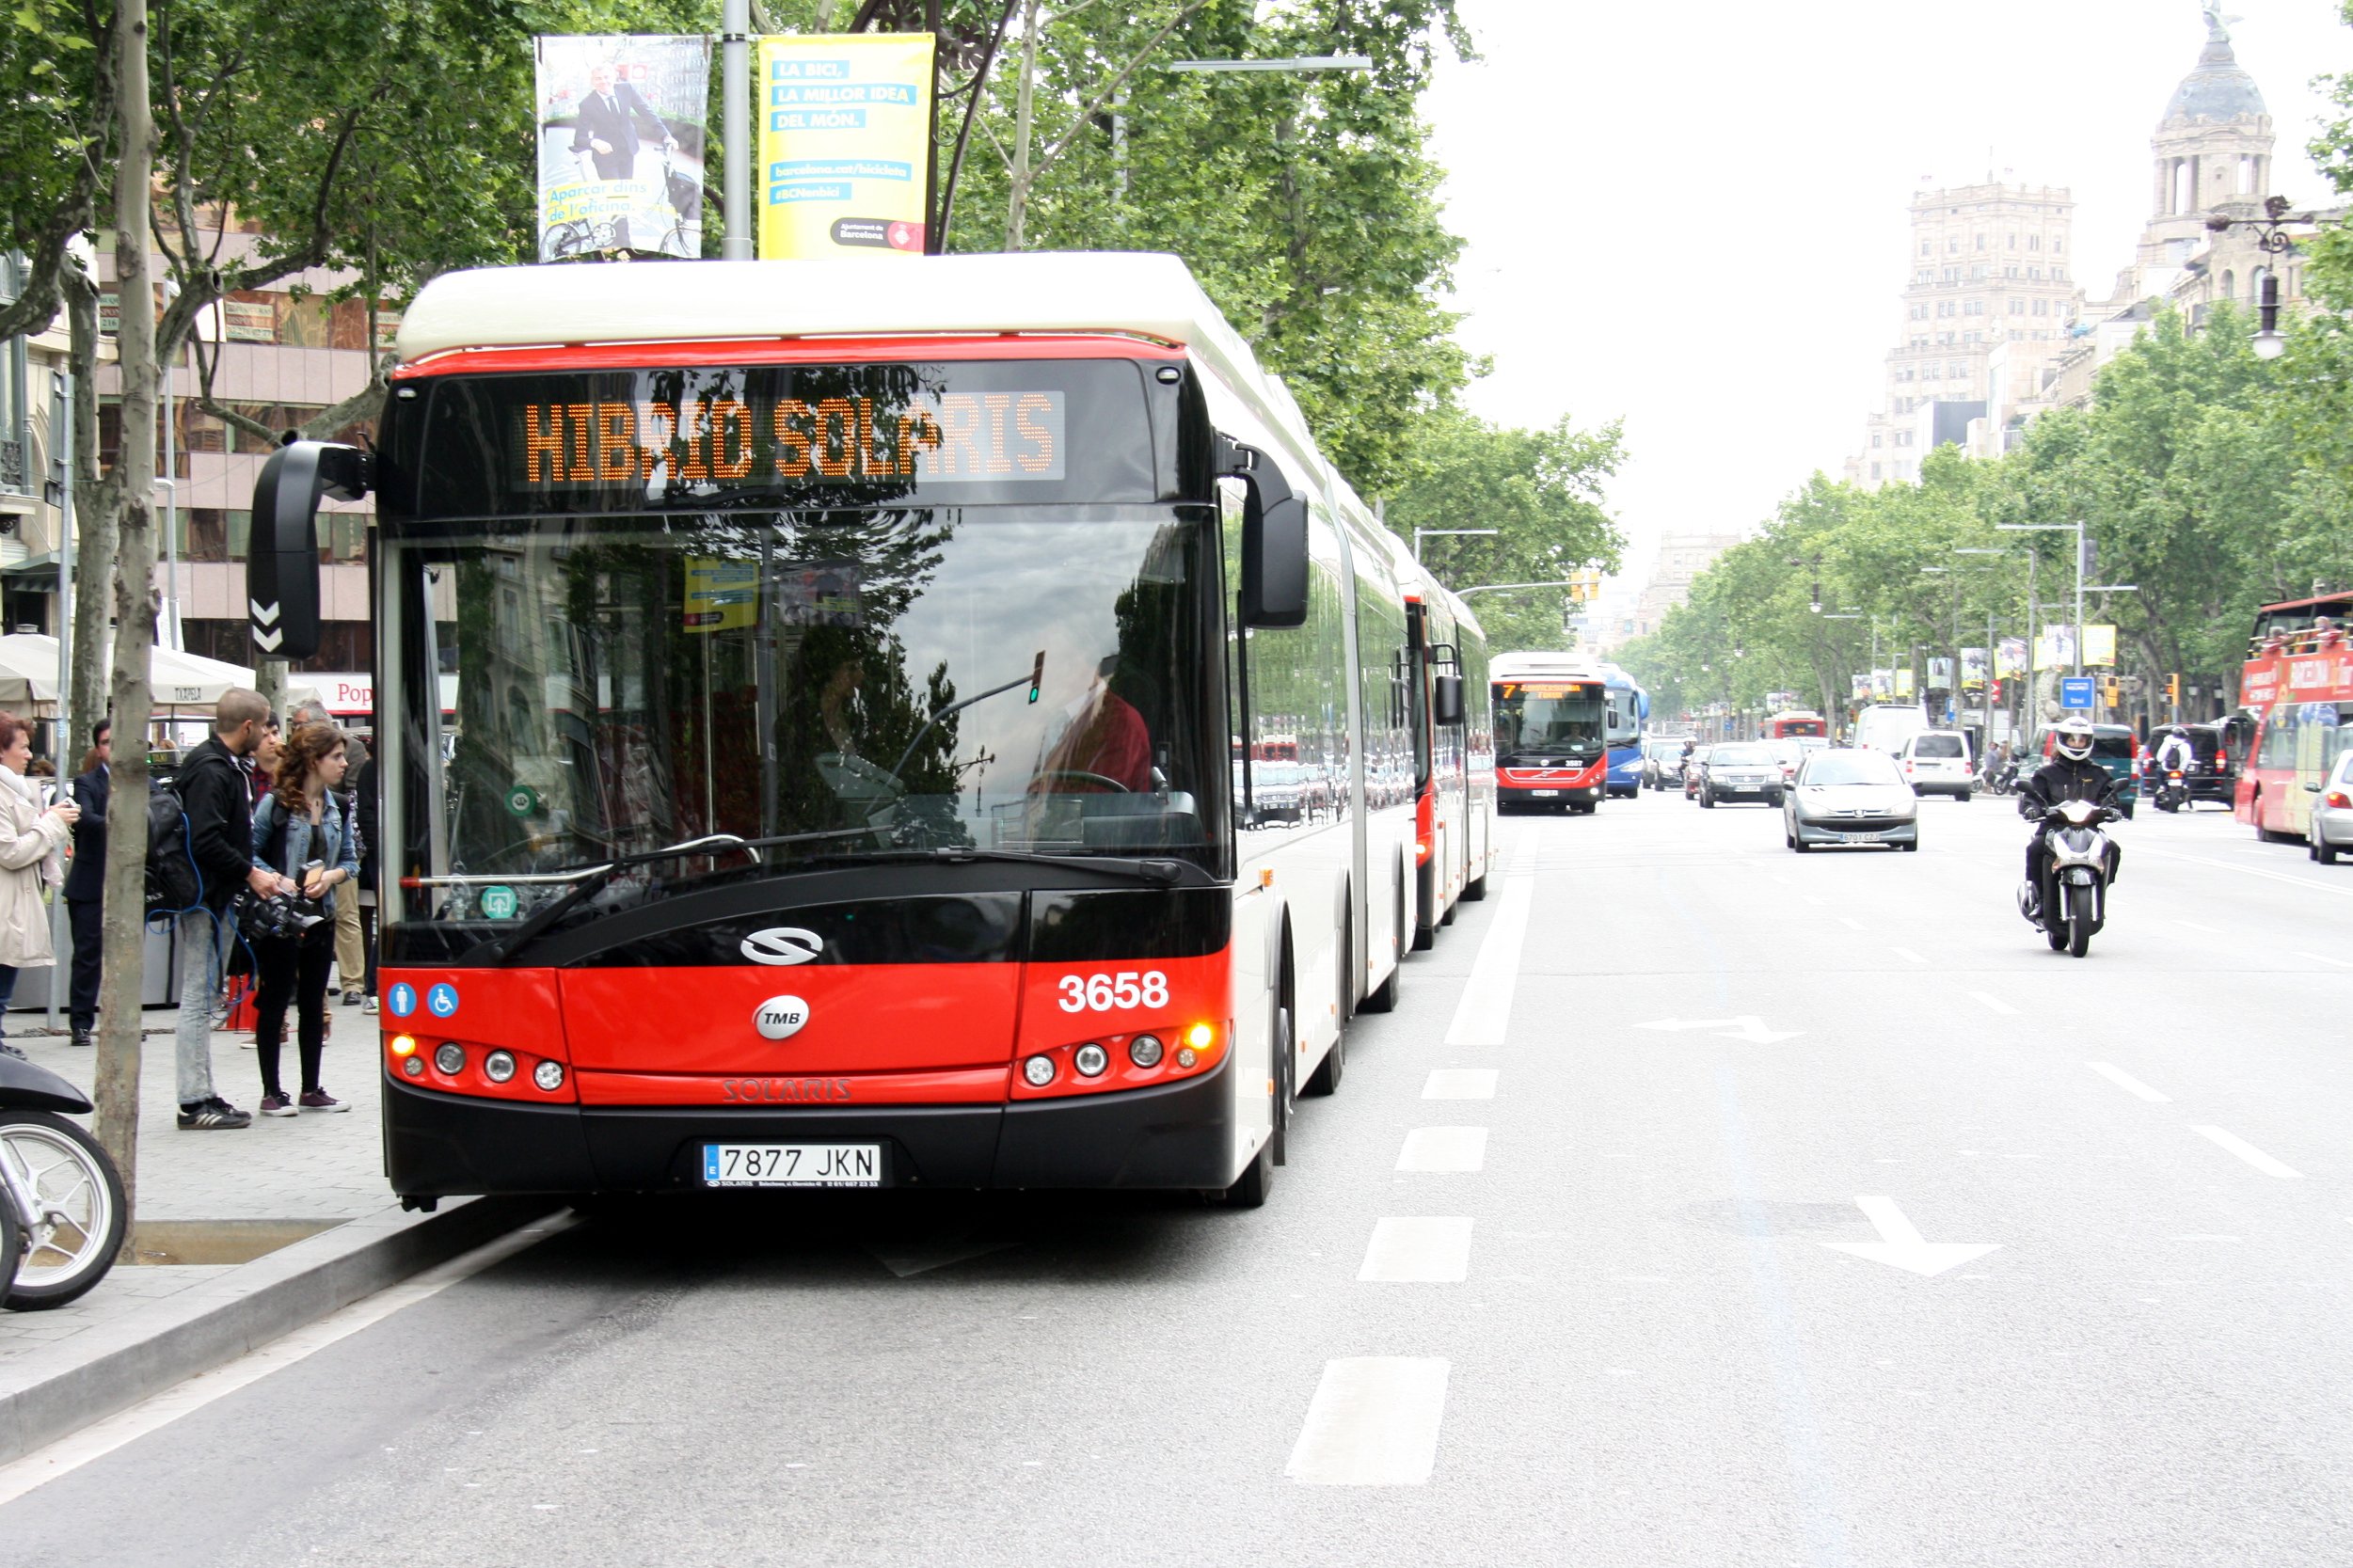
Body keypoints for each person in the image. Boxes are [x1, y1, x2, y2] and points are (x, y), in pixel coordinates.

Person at [173, 689, 294, 1130]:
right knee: (197, 996)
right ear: (248, 727)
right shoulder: (212, 770)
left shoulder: (220, 765)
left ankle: (203, 1093)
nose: (267, 734)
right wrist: (251, 873)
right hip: (207, 898)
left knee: (205, 995)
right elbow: (205, 840)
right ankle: (193, 1099)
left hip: (214, 896)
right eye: (264, 726)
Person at [248, 721, 359, 1115]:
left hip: (320, 917)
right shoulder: (276, 804)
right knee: (276, 1000)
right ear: (314, 760)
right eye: (336, 756)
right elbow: (252, 853)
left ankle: (311, 1088)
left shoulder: (339, 806)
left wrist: (330, 877)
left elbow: (350, 859)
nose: (344, 764)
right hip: (282, 919)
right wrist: (279, 881)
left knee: (314, 1001)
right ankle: (271, 1091)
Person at [0, 712, 77, 1059]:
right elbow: (11, 852)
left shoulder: (12, 789)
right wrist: (50, 825)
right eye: (24, 747)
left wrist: (49, 821)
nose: (30, 754)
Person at [2018, 716, 2125, 911]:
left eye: (2081, 740)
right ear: (2063, 740)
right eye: (2072, 739)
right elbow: (2032, 796)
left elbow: (2110, 796)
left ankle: (2099, 890)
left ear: (2088, 742)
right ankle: (2040, 898)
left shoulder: (2098, 773)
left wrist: (2113, 809)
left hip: (2089, 829)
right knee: (2035, 848)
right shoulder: (2046, 774)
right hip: (2053, 828)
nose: (2077, 743)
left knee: (2113, 849)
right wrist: (2031, 808)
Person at [569, 62, 678, 250]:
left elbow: (646, 112)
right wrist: (594, 142)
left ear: (614, 77)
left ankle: (619, 239)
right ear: (592, 82)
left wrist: (666, 135)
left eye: (606, 77)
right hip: (605, 157)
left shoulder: (626, 89)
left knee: (624, 195)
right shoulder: (587, 104)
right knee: (617, 196)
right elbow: (579, 137)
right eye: (598, 79)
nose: (603, 82)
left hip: (627, 151)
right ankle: (623, 243)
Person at [1036, 656, 1152, 792]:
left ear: (1093, 668)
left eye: (1065, 662)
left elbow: (1098, 803)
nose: (1052, 672)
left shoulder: (1120, 721)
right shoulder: (1055, 718)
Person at [64, 720, 110, 1049]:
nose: (115, 747)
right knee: (87, 956)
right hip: (90, 884)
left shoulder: (145, 784)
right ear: (98, 747)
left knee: (124, 955)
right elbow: (85, 819)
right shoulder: (86, 782)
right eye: (108, 741)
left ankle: (121, 1019)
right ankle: (80, 1023)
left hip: (130, 885)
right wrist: (124, 820)